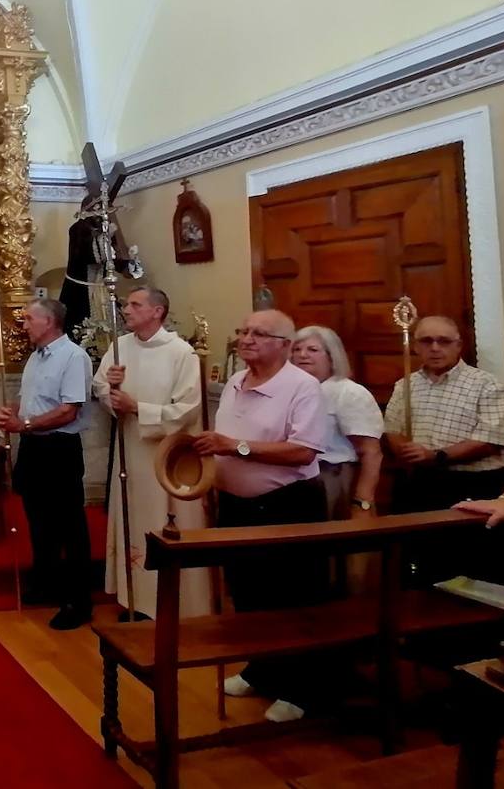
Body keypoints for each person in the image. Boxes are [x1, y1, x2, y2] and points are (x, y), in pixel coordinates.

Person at [194, 309, 328, 723]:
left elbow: (304, 450)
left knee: (288, 598)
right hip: (236, 506)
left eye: (259, 333)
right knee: (247, 593)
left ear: (284, 345)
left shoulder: (303, 387)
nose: (246, 338)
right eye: (243, 330)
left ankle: (301, 688)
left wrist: (236, 447)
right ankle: (262, 669)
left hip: (286, 505)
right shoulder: (236, 380)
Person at [93, 287, 206, 619]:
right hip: (129, 446)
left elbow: (188, 410)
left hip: (164, 456)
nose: (125, 310)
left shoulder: (181, 353)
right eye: (126, 304)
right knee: (132, 518)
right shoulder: (119, 346)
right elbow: (100, 386)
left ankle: (169, 602)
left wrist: (138, 408)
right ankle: (133, 599)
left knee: (159, 518)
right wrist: (111, 391)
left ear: (157, 312)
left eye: (134, 305)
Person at [385, 315, 504, 584]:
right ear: (415, 346)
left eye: (444, 341)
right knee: (420, 565)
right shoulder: (405, 386)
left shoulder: (485, 385)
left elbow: (491, 439)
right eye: (426, 341)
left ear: (459, 346)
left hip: (472, 486)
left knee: (476, 566)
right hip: (421, 485)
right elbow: (392, 428)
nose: (435, 348)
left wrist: (436, 456)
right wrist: (406, 451)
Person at [0, 299, 93, 631]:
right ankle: (46, 581)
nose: (24, 325)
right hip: (35, 445)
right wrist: (10, 411)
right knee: (38, 519)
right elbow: (29, 398)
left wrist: (26, 424)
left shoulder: (73, 357)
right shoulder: (36, 357)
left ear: (49, 322)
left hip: (59, 448)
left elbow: (69, 410)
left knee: (68, 524)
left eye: (29, 319)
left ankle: (78, 600)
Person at [291, 326, 384, 521]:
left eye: (312, 350)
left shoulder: (348, 392)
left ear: (332, 357)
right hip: (296, 480)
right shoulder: (292, 390)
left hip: (333, 478)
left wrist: (363, 502)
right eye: (296, 349)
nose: (302, 355)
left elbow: (371, 452)